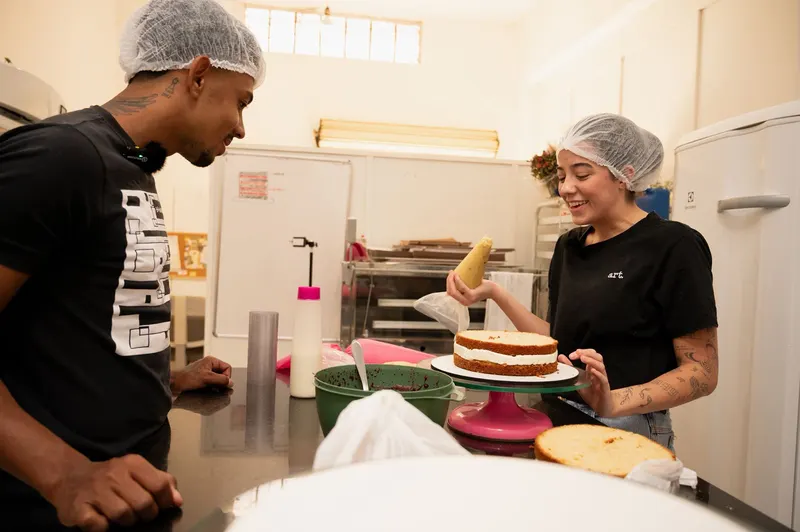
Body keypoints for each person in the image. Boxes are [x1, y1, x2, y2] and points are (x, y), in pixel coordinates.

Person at [0, 0, 265, 530]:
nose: (239, 127)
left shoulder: (132, 165)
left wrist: (162, 376)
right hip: (57, 507)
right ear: (197, 73)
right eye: (240, 101)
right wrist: (64, 476)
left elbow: (75, 325)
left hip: (132, 490)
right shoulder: (63, 155)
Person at [448, 113, 719, 451]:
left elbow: (701, 372)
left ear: (625, 175)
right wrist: (493, 292)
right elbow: (559, 341)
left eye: (582, 174)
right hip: (554, 413)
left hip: (626, 428)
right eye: (562, 176)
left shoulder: (674, 246)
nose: (566, 188)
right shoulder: (570, 246)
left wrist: (612, 402)